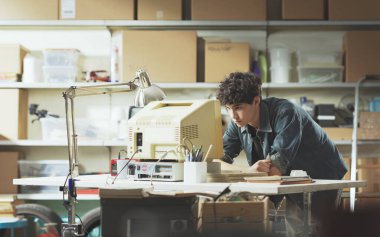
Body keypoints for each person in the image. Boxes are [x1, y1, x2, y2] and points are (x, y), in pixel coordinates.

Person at [216, 71, 347, 236]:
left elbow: (274, 170)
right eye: (228, 108)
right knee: (295, 230)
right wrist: (246, 172)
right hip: (293, 178)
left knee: (319, 229)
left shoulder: (286, 112)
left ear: (256, 100)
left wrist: (238, 174)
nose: (232, 115)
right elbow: (216, 163)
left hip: (323, 174)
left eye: (238, 108)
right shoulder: (237, 123)